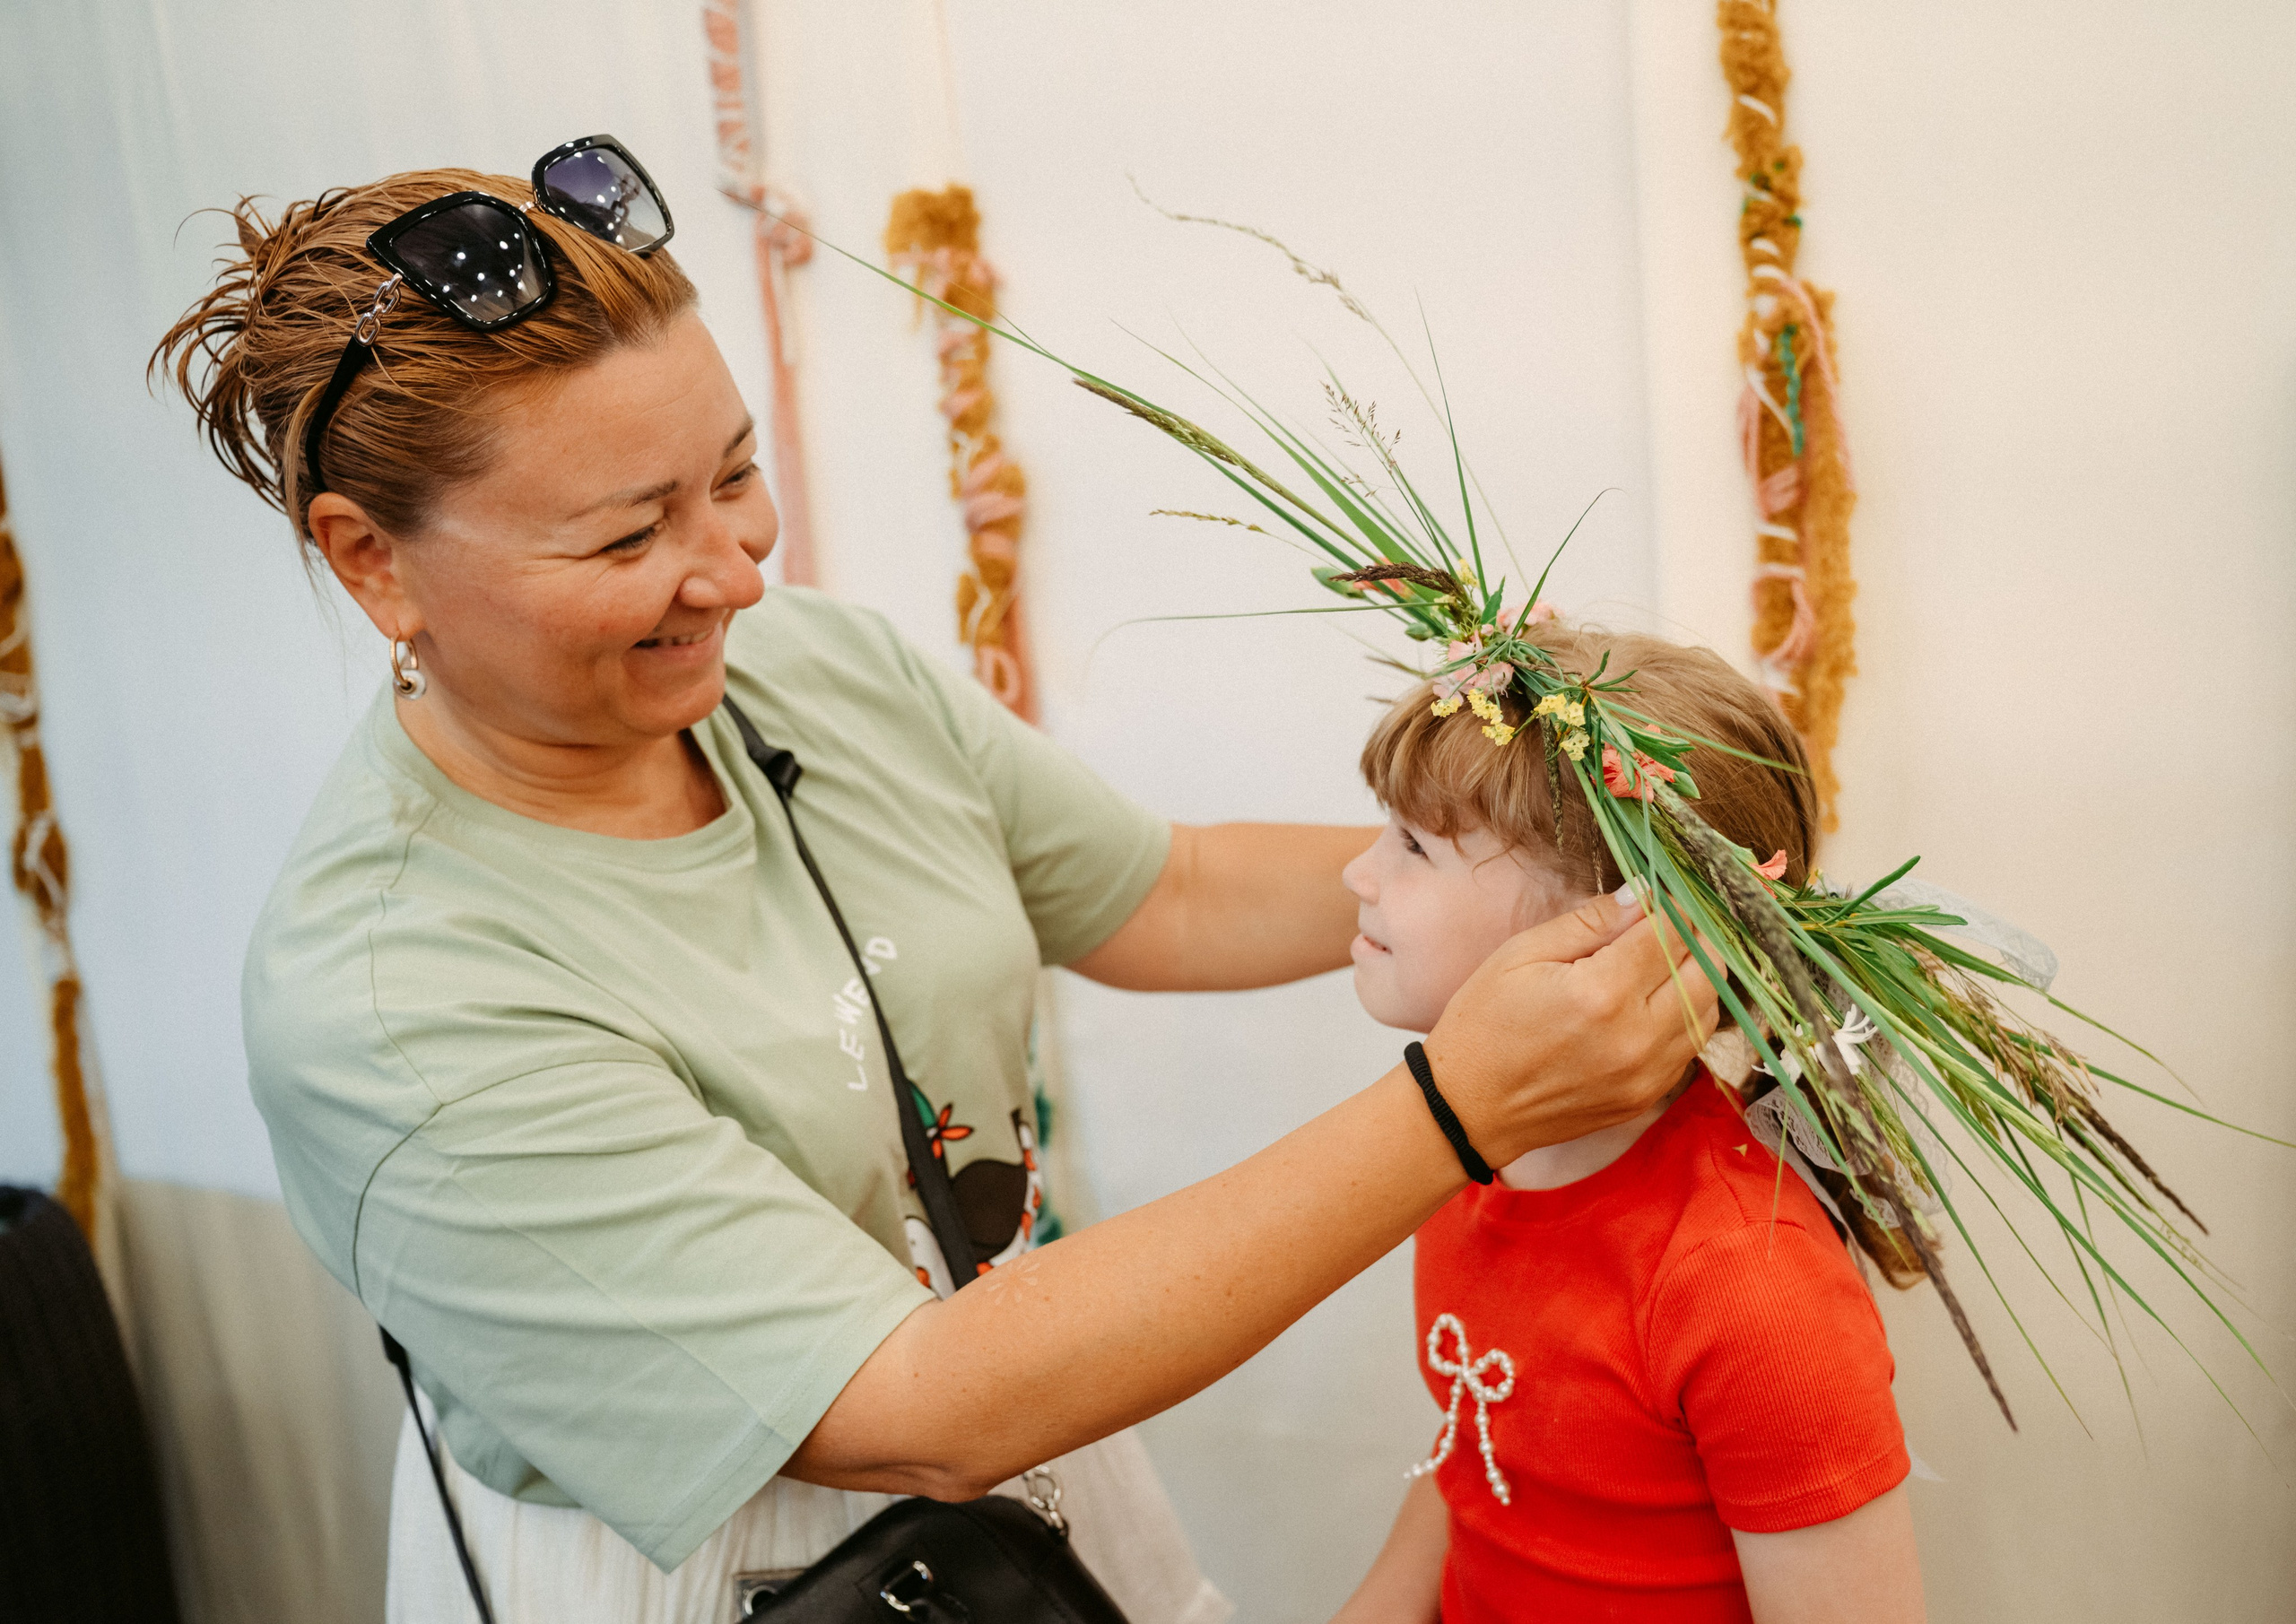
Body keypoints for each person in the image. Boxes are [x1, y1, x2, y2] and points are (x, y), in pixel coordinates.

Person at [152, 147, 1720, 1622]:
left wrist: (1583, 866)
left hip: (1036, 1422)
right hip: (732, 1548)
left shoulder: (812, 669)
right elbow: (911, 1405)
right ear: (371, 561)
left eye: (736, 474)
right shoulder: (395, 1004)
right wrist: (1459, 1109)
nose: (739, 568)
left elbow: (1160, 893)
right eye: (633, 533)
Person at [1326, 617, 1925, 1624]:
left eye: (1414, 844)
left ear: (1614, 935)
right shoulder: (1462, 1154)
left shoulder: (1748, 1285)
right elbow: (1477, 1443)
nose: (1357, 873)